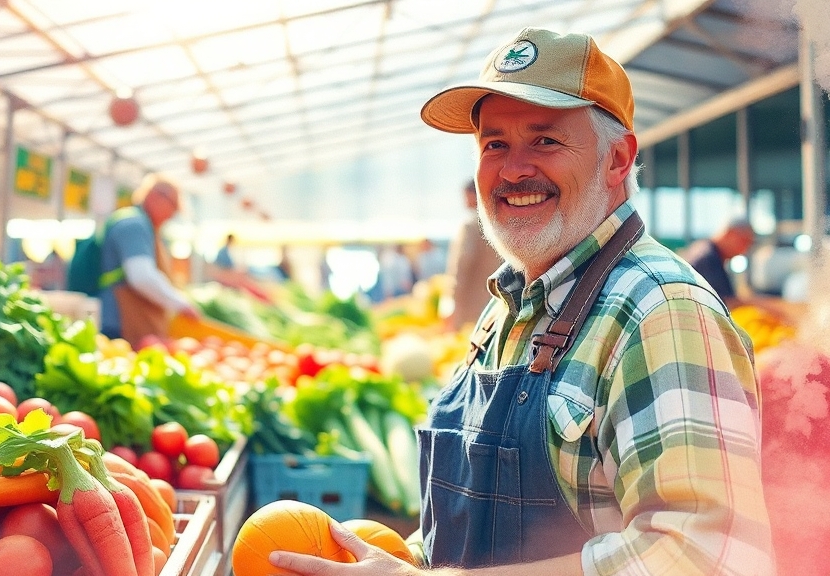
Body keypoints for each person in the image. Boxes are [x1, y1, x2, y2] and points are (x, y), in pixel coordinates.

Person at [269, 27, 772, 576]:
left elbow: (706, 556)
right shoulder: (506, 309)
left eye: (546, 140)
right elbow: (464, 537)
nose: (513, 169)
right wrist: (396, 560)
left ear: (617, 160)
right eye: (494, 144)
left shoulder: (660, 311)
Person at [98, 173, 198, 343]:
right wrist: (180, 303)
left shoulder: (143, 225)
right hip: (118, 323)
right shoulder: (135, 225)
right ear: (155, 197)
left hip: (120, 321)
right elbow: (141, 277)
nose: (172, 215)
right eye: (173, 206)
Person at [443, 179, 504, 332]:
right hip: (495, 300)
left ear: (473, 195)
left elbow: (461, 265)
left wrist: (451, 299)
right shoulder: (499, 223)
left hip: (469, 303)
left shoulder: (470, 225)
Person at [681, 217, 754, 308]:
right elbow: (724, 303)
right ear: (730, 234)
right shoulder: (707, 258)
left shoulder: (705, 249)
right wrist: (766, 306)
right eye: (744, 242)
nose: (744, 250)